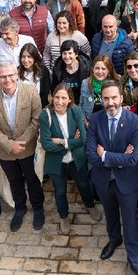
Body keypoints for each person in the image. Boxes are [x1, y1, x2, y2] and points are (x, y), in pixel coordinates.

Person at [85, 82, 138, 275]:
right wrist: (117, 156)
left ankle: (136, 261)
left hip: (127, 182)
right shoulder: (95, 119)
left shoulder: (134, 121)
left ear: (122, 98)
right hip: (103, 180)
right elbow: (91, 155)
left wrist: (106, 155)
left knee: (130, 222)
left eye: (114, 98)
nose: (110, 103)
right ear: (101, 99)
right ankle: (114, 240)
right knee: (110, 214)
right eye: (106, 98)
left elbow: (132, 160)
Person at [0, 63, 45, 231]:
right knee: (14, 180)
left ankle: (38, 207)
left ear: (17, 74)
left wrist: (22, 142)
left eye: (10, 75)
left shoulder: (30, 91)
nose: (7, 79)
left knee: (32, 179)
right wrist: (10, 145)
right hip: (5, 151)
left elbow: (36, 119)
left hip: (28, 147)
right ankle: (20, 208)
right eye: (2, 76)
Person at [40, 84, 99, 234]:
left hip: (76, 159)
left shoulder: (76, 111)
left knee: (83, 184)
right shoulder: (45, 114)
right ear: (52, 97)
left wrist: (61, 141)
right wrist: (72, 141)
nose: (59, 101)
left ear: (70, 99)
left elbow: (84, 139)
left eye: (63, 98)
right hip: (56, 161)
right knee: (60, 191)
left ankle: (90, 205)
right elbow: (46, 144)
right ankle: (64, 216)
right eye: (57, 97)